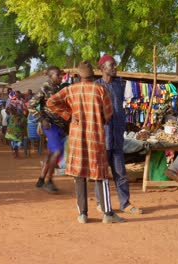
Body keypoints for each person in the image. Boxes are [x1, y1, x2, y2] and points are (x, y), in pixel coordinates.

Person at [47, 61, 124, 224]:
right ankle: (107, 214)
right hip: (95, 137)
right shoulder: (101, 89)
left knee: (79, 174)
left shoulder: (70, 90)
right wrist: (99, 119)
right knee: (100, 174)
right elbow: (108, 113)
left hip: (77, 138)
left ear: (77, 76)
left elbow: (51, 102)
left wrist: (68, 115)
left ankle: (83, 214)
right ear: (92, 75)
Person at [96, 54, 143, 214]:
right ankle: (100, 202)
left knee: (120, 172)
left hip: (117, 135)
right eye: (112, 65)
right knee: (100, 173)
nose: (115, 68)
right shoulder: (96, 86)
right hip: (102, 136)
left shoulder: (120, 84)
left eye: (115, 65)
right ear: (102, 68)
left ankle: (125, 203)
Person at [28, 66, 69, 194]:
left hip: (60, 127)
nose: (60, 77)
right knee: (57, 152)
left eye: (61, 75)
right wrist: (42, 119)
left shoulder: (59, 88)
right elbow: (30, 106)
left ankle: (41, 180)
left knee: (52, 153)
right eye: (58, 75)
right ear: (50, 76)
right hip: (50, 126)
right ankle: (49, 181)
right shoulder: (45, 87)